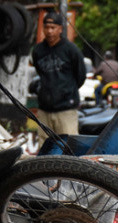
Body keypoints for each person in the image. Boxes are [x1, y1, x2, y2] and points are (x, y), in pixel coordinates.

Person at [32, 11, 86, 145]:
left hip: (66, 110)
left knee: (69, 148)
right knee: (45, 148)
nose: (49, 31)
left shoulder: (71, 50)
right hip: (44, 110)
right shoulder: (38, 51)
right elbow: (41, 74)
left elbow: (81, 76)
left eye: (53, 28)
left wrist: (66, 90)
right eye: (46, 27)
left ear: (60, 29)